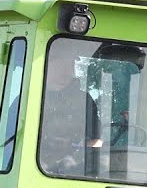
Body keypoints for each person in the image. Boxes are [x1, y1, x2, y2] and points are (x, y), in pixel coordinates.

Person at [39, 39, 102, 175]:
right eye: (61, 64)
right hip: (35, 167)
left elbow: (97, 141)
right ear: (47, 65)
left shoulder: (84, 100)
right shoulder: (29, 97)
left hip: (77, 169)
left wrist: (77, 147)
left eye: (70, 64)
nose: (67, 71)